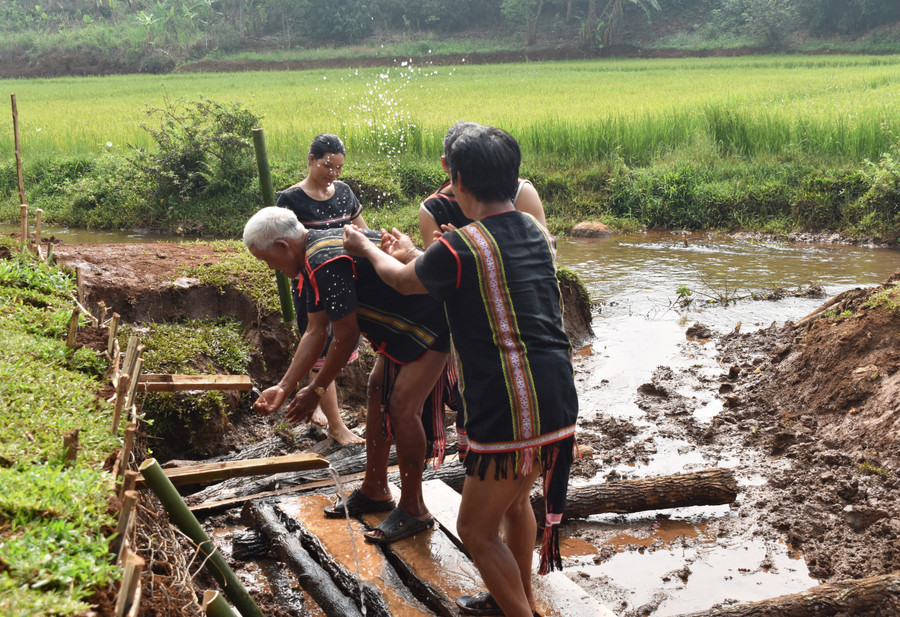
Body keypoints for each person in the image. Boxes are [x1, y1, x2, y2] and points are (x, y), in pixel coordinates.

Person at [343, 124, 578, 617]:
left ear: (457, 179)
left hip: (507, 403)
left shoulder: (459, 245)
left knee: (474, 530)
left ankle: (519, 612)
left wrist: (369, 249)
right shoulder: (533, 230)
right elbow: (459, 272)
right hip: (555, 394)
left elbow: (405, 282)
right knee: (515, 503)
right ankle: (519, 598)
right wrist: (420, 253)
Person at [244, 206, 450, 545]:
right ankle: (376, 489)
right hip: (404, 323)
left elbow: (345, 335)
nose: (273, 269)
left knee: (401, 407)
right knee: (375, 390)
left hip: (432, 320)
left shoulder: (324, 261)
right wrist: (284, 386)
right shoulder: (313, 256)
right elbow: (315, 329)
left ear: (283, 246)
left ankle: (414, 508)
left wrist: (317, 388)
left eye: (268, 260)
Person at [418, 121, 551, 463]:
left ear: (457, 173)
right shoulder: (434, 208)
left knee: (476, 515)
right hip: (491, 335)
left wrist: (459, 246)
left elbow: (541, 257)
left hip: (514, 331)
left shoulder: (517, 199)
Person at [276, 133, 365, 445]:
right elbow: (287, 246)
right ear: (311, 160)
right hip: (310, 285)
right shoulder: (290, 200)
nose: (333, 174)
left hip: (343, 283)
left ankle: (320, 406)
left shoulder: (343, 192)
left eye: (339, 168)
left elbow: (361, 231)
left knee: (338, 349)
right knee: (319, 352)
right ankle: (336, 426)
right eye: (328, 165)